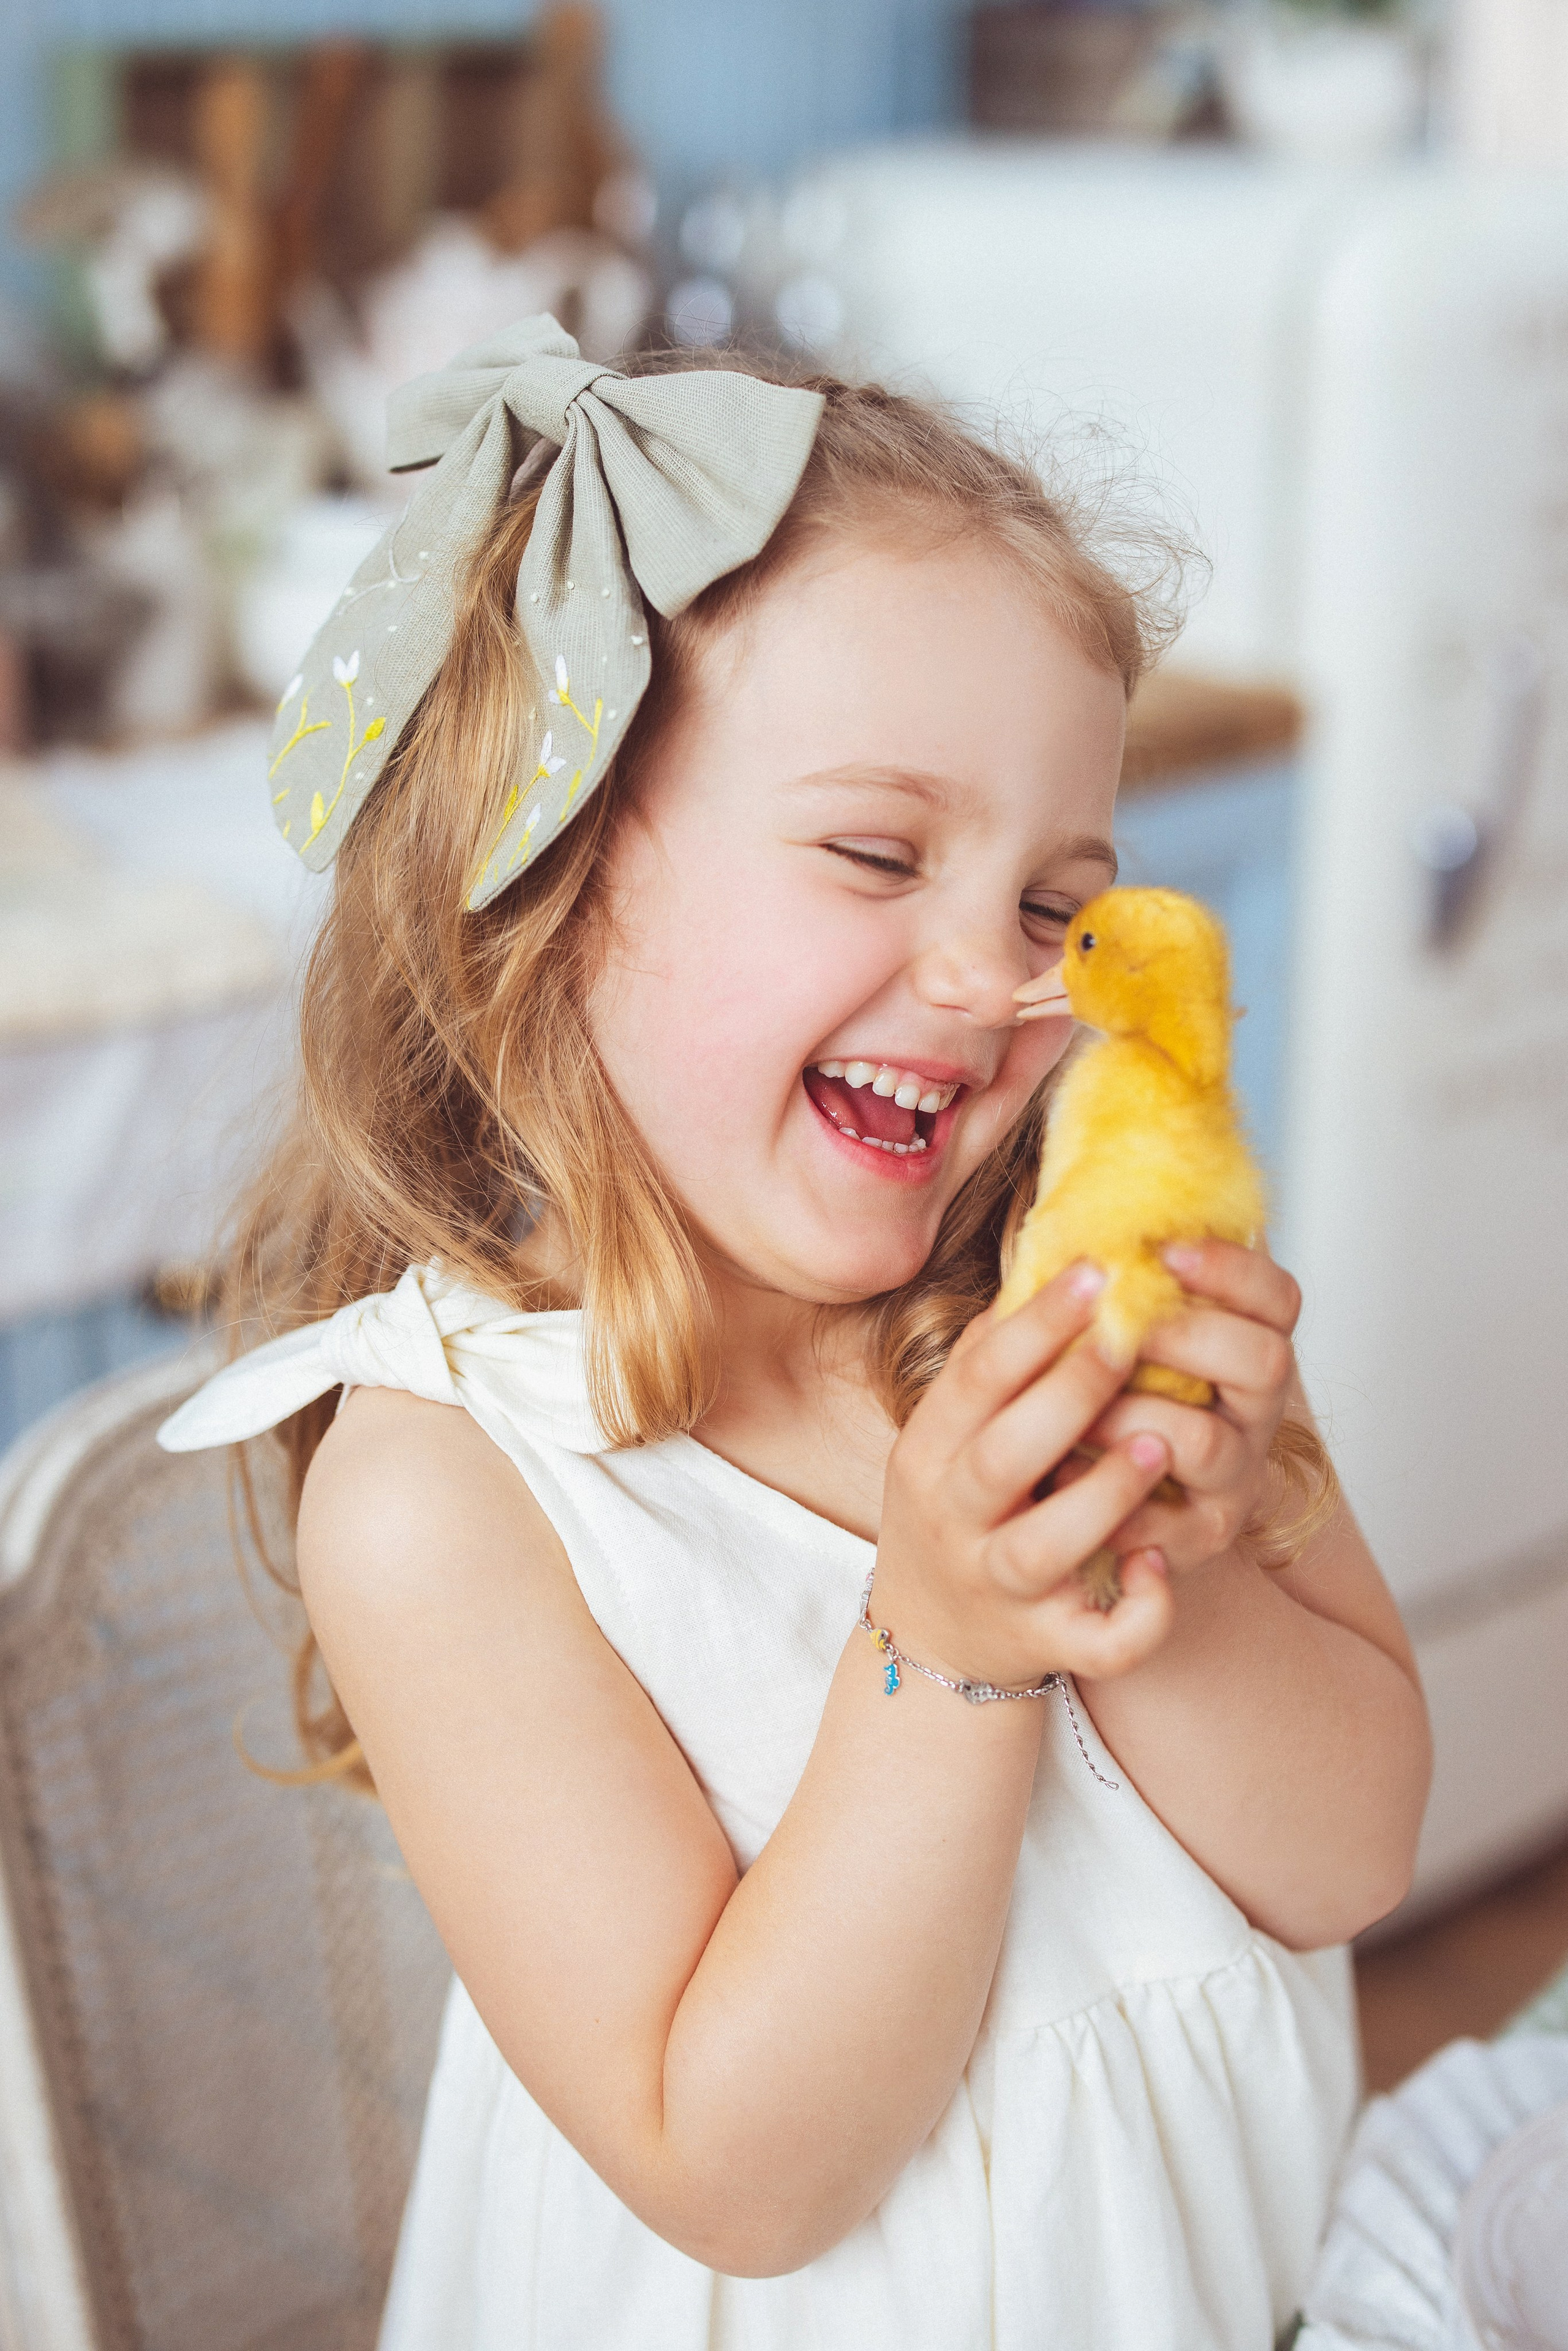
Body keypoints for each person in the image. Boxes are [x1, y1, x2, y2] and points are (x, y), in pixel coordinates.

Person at [162, 317, 1432, 2350]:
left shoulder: (1088, 1301)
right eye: (874, 852)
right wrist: (945, 1642)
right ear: (559, 880)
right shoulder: (450, 1489)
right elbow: (747, 2173)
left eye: (1054, 907)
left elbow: (1353, 1854)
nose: (988, 973)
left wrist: (1171, 1559)